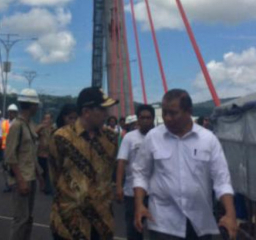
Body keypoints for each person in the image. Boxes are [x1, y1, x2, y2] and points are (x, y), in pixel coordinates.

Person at [133, 89, 237, 240]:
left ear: (189, 111)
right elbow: (140, 173)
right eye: (164, 113)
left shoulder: (208, 140)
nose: (167, 118)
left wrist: (230, 213)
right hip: (163, 222)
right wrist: (139, 204)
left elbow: (222, 180)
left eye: (173, 113)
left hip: (199, 223)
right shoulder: (153, 138)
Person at [49, 87, 119, 240]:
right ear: (87, 111)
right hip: (69, 223)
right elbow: (55, 173)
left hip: (101, 223)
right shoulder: (61, 138)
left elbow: (109, 172)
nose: (107, 114)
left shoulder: (111, 139)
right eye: (102, 109)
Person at [5, 88, 44, 240]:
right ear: (31, 105)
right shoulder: (16, 126)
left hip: (30, 177)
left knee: (28, 218)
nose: (37, 107)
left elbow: (30, 154)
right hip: (22, 179)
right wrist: (20, 180)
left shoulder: (28, 124)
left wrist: (39, 176)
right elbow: (10, 156)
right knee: (20, 219)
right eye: (36, 105)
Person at [116, 107, 155, 240]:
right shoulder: (129, 137)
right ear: (138, 119)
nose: (145, 121)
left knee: (157, 231)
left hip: (155, 193)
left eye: (148, 118)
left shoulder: (160, 137)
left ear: (153, 119)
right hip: (131, 192)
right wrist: (119, 186)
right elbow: (121, 161)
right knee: (134, 230)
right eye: (142, 118)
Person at [36, 113, 54, 195]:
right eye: (45, 118)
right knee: (42, 170)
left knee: (48, 171)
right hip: (40, 153)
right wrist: (41, 127)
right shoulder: (41, 128)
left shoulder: (53, 129)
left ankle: (48, 188)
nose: (47, 120)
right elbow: (34, 134)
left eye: (48, 118)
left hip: (49, 154)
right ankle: (42, 182)